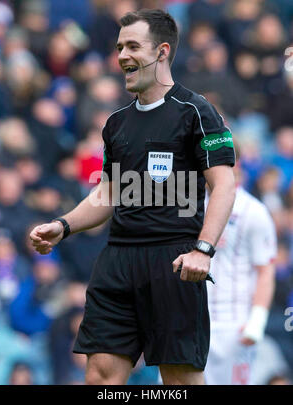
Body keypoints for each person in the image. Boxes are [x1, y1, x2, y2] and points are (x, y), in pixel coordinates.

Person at [30, 9, 236, 385]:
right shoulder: (116, 124)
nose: (122, 55)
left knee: (179, 381)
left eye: (132, 46)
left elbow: (224, 184)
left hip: (174, 259)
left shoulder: (196, 111)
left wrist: (203, 250)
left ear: (161, 52)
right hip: (117, 261)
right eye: (119, 46)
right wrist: (64, 225)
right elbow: (107, 194)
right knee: (101, 378)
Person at [204, 143, 277, 385]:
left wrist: (256, 320)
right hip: (190, 323)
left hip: (234, 326)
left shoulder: (254, 211)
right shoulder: (188, 207)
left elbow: (265, 270)